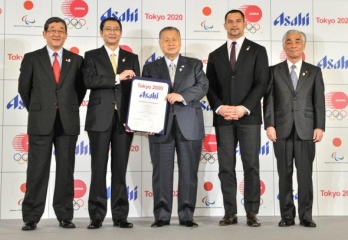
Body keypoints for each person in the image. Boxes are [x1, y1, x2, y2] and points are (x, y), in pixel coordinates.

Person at [18, 17, 86, 231]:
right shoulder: (32, 58)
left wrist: (65, 106)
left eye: (61, 30)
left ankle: (65, 215)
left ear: (66, 34)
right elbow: (24, 89)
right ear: (44, 33)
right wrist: (40, 109)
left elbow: (80, 90)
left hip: (67, 122)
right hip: (41, 121)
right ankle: (31, 217)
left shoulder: (76, 60)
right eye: (53, 30)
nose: (57, 34)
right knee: (37, 170)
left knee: (66, 171)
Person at [206, 9, 269, 227]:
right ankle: (230, 212)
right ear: (224, 25)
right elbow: (209, 87)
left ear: (244, 24)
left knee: (251, 165)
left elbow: (261, 83)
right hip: (224, 118)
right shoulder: (215, 55)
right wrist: (220, 107)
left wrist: (244, 107)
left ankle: (251, 212)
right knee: (226, 166)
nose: (234, 25)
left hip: (248, 118)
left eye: (238, 21)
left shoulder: (258, 51)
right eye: (230, 21)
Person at [142, 26, 209, 228]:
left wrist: (182, 96)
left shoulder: (194, 64)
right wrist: (146, 122)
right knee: (161, 173)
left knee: (189, 172)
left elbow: (203, 86)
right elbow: (144, 97)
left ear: (180, 41)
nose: (170, 43)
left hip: (189, 126)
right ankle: (162, 216)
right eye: (166, 39)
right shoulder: (151, 67)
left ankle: (187, 215)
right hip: (160, 127)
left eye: (174, 39)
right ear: (160, 43)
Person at [263, 30, 325, 228]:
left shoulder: (314, 71)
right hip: (281, 130)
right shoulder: (273, 71)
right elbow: (269, 101)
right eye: (288, 41)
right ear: (284, 46)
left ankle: (306, 216)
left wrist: (319, 126)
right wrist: (270, 125)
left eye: (297, 41)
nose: (293, 44)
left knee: (305, 175)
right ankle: (287, 216)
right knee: (284, 175)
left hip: (307, 130)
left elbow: (319, 102)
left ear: (303, 45)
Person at [83, 17, 140, 229]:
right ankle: (96, 216)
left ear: (121, 32)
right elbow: (89, 81)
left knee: (120, 169)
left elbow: (137, 90)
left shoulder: (131, 57)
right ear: (101, 33)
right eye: (108, 29)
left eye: (116, 29)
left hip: (124, 120)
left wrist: (138, 118)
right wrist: (117, 77)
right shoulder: (91, 56)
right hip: (99, 118)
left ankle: (120, 215)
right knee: (98, 168)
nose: (112, 32)